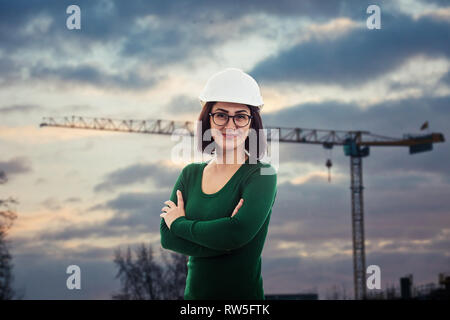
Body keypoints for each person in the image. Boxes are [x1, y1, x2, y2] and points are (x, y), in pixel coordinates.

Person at [159, 68, 278, 300]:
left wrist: (181, 224)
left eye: (241, 116)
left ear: (252, 123)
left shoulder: (262, 175)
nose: (230, 125)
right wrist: (224, 242)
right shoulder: (190, 174)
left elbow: (236, 233)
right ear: (208, 119)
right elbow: (167, 237)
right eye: (221, 115)